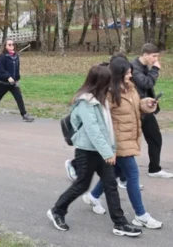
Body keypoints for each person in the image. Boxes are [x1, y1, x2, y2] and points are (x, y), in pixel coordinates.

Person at [46, 65, 142, 237]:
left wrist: (111, 148)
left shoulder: (102, 99)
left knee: (111, 185)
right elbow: (94, 131)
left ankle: (120, 224)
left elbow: (107, 128)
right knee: (81, 185)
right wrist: (108, 153)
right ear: (100, 82)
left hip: (102, 150)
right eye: (108, 81)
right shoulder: (85, 102)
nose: (111, 85)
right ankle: (57, 211)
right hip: (86, 151)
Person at [86, 57, 162, 230]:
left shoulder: (130, 87)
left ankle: (93, 196)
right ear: (119, 74)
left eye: (131, 72)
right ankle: (141, 215)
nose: (131, 74)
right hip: (119, 142)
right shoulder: (109, 93)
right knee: (133, 175)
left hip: (130, 137)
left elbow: (134, 107)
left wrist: (146, 103)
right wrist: (108, 147)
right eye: (128, 72)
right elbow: (103, 121)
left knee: (114, 171)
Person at [131, 44, 172, 179]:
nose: (156, 59)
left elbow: (144, 89)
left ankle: (154, 169)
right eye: (154, 56)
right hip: (132, 110)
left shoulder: (142, 67)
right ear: (145, 55)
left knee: (155, 138)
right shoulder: (134, 68)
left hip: (144, 108)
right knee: (124, 143)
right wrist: (155, 70)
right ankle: (77, 165)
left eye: (157, 56)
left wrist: (150, 100)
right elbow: (146, 83)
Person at [0, 39, 35, 122]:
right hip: (3, 83)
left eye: (13, 44)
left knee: (19, 98)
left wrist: (17, 78)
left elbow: (17, 69)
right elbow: (0, 70)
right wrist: (7, 76)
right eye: (9, 44)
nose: (11, 46)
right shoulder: (1, 57)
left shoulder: (16, 56)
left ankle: (24, 114)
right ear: (5, 46)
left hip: (14, 83)